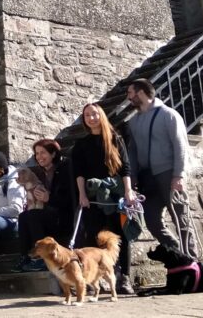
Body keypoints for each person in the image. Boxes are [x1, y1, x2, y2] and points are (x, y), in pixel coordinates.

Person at [126, 78, 199, 256]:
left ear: (141, 92)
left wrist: (179, 175)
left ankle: (192, 261)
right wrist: (133, 175)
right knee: (151, 221)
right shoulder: (133, 122)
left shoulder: (169, 115)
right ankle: (178, 254)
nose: (128, 98)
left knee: (181, 218)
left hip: (168, 174)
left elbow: (180, 145)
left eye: (130, 93)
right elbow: (132, 151)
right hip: (147, 178)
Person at [72, 103, 136, 294]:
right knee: (92, 236)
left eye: (94, 114)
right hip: (93, 196)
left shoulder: (115, 139)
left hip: (116, 195)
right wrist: (82, 195)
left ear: (101, 116)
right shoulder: (81, 145)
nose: (91, 118)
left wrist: (128, 191)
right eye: (87, 115)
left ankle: (124, 278)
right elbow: (79, 173)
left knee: (120, 236)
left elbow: (125, 167)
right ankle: (93, 280)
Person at [15, 139, 75, 272]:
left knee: (33, 215)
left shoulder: (65, 168)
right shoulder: (40, 173)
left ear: (53, 154)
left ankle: (42, 259)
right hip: (49, 214)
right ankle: (25, 256)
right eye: (37, 153)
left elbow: (69, 197)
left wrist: (49, 198)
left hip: (63, 217)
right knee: (23, 216)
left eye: (43, 153)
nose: (39, 157)